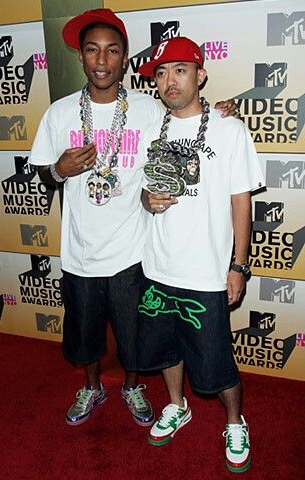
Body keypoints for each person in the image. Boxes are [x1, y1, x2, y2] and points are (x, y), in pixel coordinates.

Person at [30, 8, 238, 430]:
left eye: (112, 51)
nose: (102, 60)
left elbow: (190, 118)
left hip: (133, 253)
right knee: (85, 337)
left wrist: (221, 112)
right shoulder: (59, 112)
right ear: (82, 58)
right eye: (92, 51)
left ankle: (132, 386)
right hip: (79, 252)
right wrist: (60, 170)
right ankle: (91, 386)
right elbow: (42, 172)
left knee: (135, 336)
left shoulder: (150, 110)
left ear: (125, 59)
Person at [137, 36, 264, 473]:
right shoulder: (153, 127)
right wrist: (145, 199)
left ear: (201, 75)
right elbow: (143, 188)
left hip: (206, 272)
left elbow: (240, 201)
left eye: (180, 70)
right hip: (156, 265)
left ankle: (234, 421)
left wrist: (238, 265)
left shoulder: (229, 128)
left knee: (215, 361)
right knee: (167, 350)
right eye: (160, 73)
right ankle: (177, 405)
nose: (169, 81)